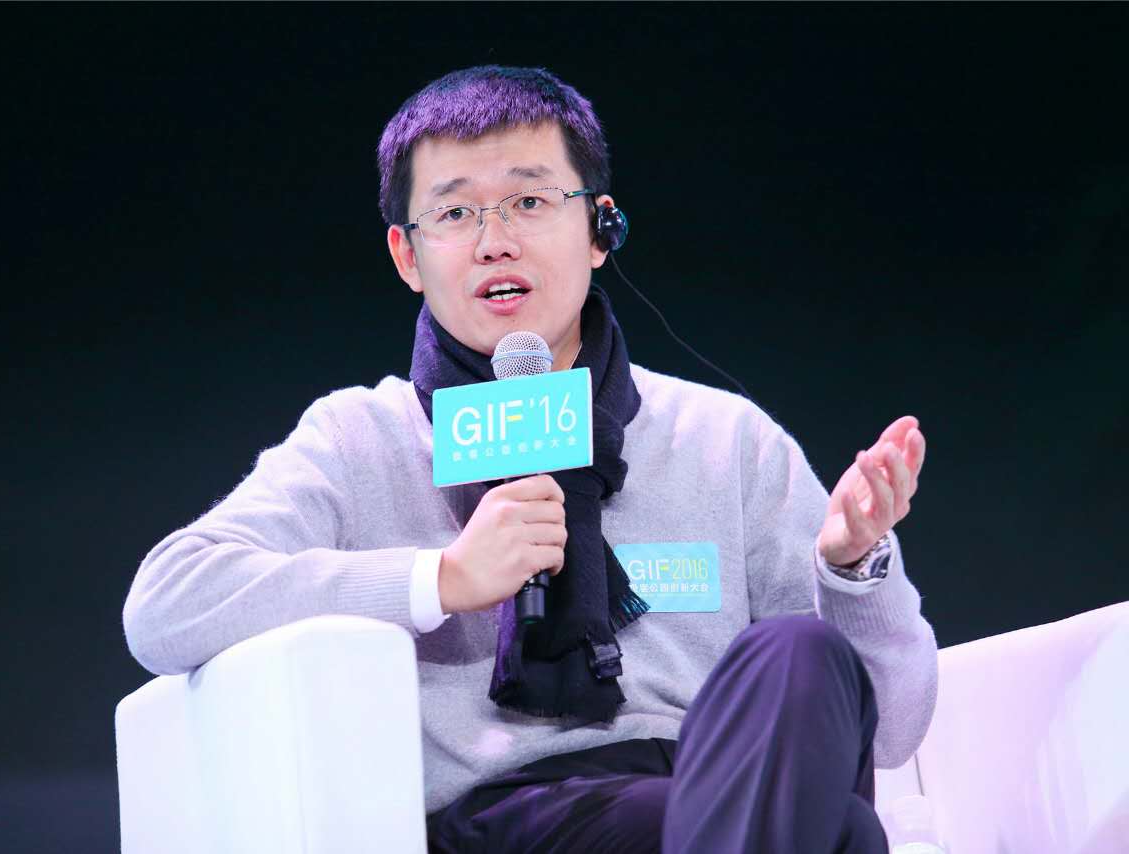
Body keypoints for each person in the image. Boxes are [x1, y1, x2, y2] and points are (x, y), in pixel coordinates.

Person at [122, 65, 936, 853]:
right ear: (407, 257)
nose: (494, 242)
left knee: (801, 656)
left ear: (599, 230)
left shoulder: (725, 440)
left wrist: (853, 573)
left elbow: (893, 732)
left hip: (714, 794)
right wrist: (440, 578)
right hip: (508, 814)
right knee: (845, 837)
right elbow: (167, 602)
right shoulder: (361, 438)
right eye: (454, 213)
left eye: (529, 202)